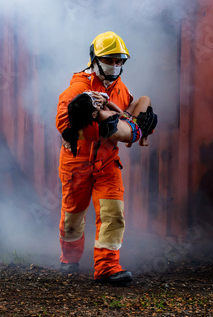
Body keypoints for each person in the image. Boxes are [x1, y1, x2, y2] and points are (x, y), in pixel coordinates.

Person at [55, 31, 157, 285]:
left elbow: (133, 114)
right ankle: (69, 259)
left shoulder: (121, 90)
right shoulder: (80, 87)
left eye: (120, 61)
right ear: (96, 60)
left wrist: (145, 127)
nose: (116, 65)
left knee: (113, 214)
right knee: (73, 216)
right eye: (110, 60)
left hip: (108, 161)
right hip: (77, 161)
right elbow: (63, 124)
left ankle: (107, 267)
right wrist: (96, 127)